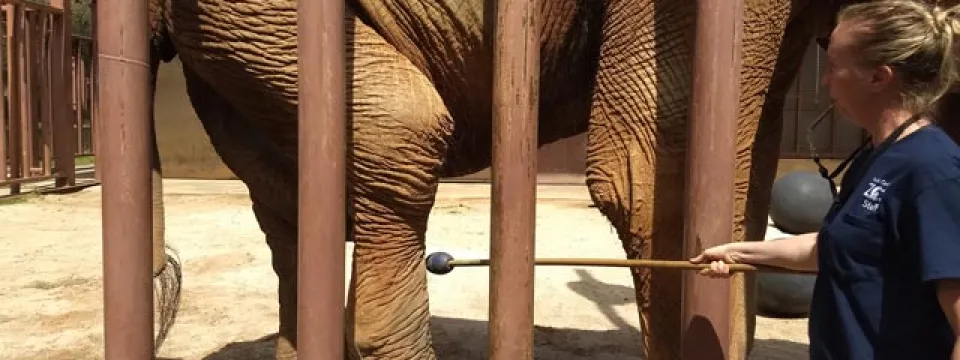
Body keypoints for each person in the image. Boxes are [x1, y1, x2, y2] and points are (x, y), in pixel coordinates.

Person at [688, 1, 960, 359]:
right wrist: (737, 251)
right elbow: (840, 248)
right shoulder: (876, 157)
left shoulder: (933, 171)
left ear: (879, 77)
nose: (825, 80)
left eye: (833, 67)